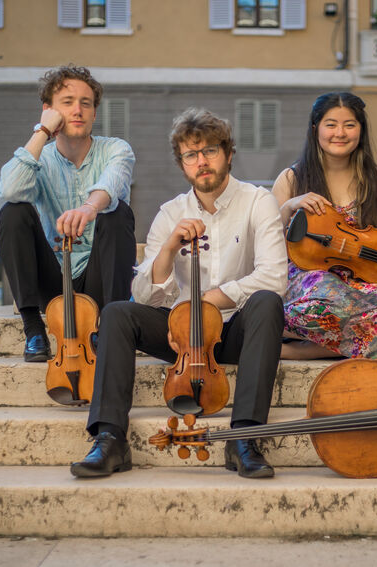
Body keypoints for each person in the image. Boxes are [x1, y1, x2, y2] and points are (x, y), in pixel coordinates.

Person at [70, 108, 287, 479]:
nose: (201, 162)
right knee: (120, 314)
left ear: (229, 153)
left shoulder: (257, 201)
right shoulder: (170, 213)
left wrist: (206, 301)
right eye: (191, 154)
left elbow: (274, 277)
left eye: (210, 151)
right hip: (180, 338)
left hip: (235, 332)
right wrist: (169, 249)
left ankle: (245, 438)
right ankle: (109, 438)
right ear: (182, 163)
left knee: (267, 302)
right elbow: (143, 295)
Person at [0, 65, 136, 362]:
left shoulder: (116, 149)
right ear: (49, 110)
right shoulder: (40, 159)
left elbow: (112, 183)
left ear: (95, 113)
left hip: (101, 278)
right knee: (13, 212)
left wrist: (89, 208)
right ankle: (34, 330)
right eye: (68, 102)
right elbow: (9, 190)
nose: (78, 110)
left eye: (86, 103)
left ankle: (110, 327)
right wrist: (43, 131)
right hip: (55, 280)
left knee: (116, 211)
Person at [271, 92, 377, 362]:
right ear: (316, 129)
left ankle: (296, 350)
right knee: (326, 302)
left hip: (356, 278)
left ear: (360, 129)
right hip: (307, 276)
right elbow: (267, 243)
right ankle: (355, 345)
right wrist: (291, 205)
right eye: (331, 124)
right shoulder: (293, 177)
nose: (340, 132)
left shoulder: (375, 179)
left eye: (349, 124)